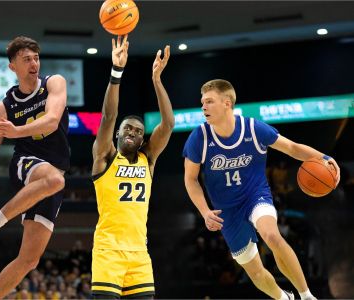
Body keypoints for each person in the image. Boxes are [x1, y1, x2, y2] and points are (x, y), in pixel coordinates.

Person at [183, 79, 340, 300]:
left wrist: (323, 157)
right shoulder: (199, 137)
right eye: (202, 102)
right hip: (226, 210)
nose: (203, 107)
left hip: (255, 196)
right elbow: (191, 180)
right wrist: (204, 211)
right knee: (255, 273)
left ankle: (306, 296)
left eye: (209, 102)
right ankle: (284, 298)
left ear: (227, 103)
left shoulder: (253, 128)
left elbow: (292, 148)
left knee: (272, 236)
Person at [0, 36, 69, 300]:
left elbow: (52, 121)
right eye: (26, 59)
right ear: (12, 67)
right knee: (55, 180)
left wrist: (17, 130)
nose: (33, 63)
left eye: (36, 58)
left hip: (52, 175)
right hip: (26, 163)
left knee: (29, 260)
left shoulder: (54, 83)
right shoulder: (4, 108)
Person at [91, 36, 174, 299]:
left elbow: (168, 124)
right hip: (108, 252)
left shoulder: (147, 159)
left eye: (138, 131)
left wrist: (157, 81)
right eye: (128, 128)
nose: (133, 133)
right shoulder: (104, 155)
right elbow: (109, 116)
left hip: (139, 254)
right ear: (117, 133)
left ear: (142, 139)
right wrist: (117, 72)